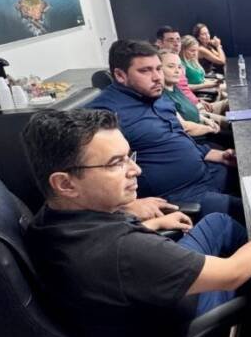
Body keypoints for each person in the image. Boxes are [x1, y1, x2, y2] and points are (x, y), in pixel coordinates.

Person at [21, 108, 251, 337]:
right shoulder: (124, 251)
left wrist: (149, 225)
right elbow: (234, 272)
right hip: (182, 323)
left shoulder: (50, 217)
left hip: (142, 296)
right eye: (116, 163)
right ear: (65, 184)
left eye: (129, 157)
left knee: (218, 222)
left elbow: (112, 260)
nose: (136, 170)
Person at [88, 39, 241, 218]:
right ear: (120, 75)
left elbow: (178, 136)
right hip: (182, 197)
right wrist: (127, 207)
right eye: (145, 70)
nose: (157, 77)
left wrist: (219, 156)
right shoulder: (102, 114)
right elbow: (85, 177)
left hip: (209, 171)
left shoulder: (156, 95)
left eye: (158, 69)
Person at [159, 50, 220, 137]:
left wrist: (205, 120)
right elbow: (184, 127)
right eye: (171, 66)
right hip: (197, 139)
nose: (177, 71)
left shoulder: (175, 88)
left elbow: (192, 111)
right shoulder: (162, 97)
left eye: (179, 67)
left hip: (203, 124)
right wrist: (209, 129)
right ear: (158, 69)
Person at [179, 35, 229, 108]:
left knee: (229, 90)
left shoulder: (192, 60)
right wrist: (208, 85)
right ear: (183, 50)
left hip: (205, 88)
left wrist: (213, 83)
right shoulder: (181, 65)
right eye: (192, 50)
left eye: (196, 50)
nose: (195, 53)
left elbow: (201, 79)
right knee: (228, 91)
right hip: (199, 93)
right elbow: (185, 88)